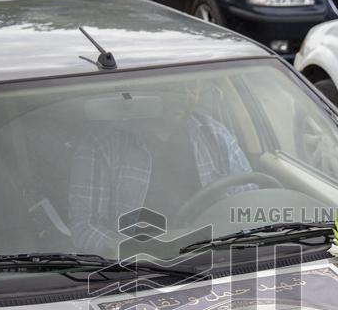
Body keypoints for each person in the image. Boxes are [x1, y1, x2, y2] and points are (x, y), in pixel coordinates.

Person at [68, 83, 255, 255]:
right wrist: (129, 250)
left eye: (192, 89)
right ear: (145, 92)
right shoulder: (103, 145)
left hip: (216, 251)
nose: (184, 98)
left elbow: (249, 200)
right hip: (142, 267)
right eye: (172, 88)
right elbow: (85, 227)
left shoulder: (214, 134)